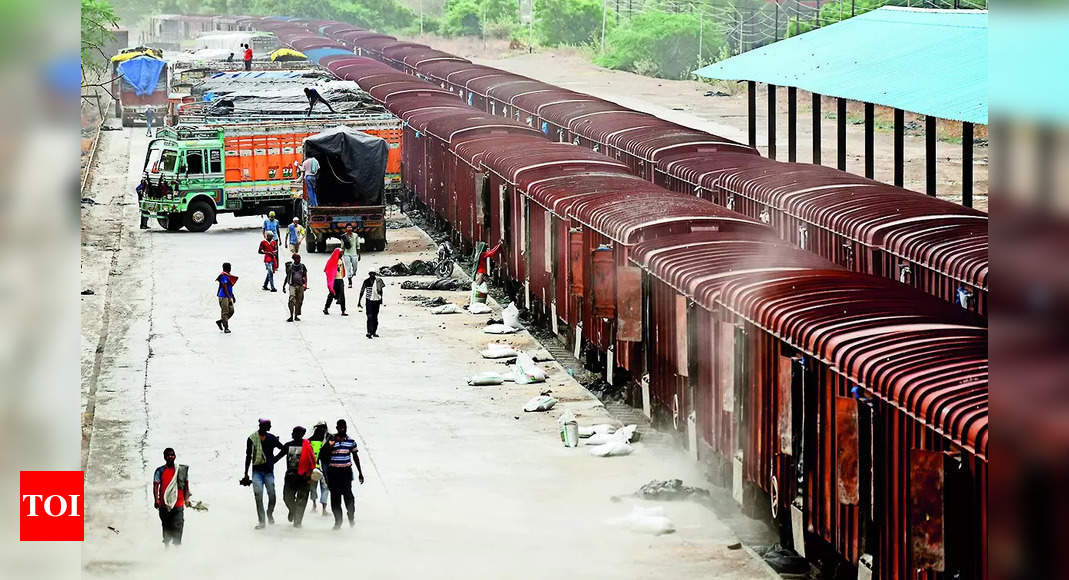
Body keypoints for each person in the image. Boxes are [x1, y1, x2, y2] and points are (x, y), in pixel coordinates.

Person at [320, 419, 364, 530]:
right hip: (333, 473)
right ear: (337, 428)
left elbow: (355, 457)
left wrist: (360, 473)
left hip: (346, 473)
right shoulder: (331, 439)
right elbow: (322, 454)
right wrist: (332, 443)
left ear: (346, 427)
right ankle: (338, 522)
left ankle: (351, 516)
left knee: (349, 497)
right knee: (335, 499)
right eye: (340, 427)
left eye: (344, 427)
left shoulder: (351, 441)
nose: (342, 429)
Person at [243, 418, 283, 529]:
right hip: (257, 472)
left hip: (269, 471)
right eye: (268, 426)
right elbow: (248, 456)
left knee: (272, 495)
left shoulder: (272, 438)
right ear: (262, 426)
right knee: (258, 495)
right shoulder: (252, 439)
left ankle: (269, 513)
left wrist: (275, 459)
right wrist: (246, 473)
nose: (269, 428)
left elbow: (283, 448)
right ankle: (261, 521)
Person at [152, 448, 190, 547]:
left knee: (178, 526)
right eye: (168, 455)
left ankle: (177, 552)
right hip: (164, 505)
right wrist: (156, 500)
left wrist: (187, 499)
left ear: (175, 456)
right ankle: (167, 549)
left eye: (172, 455)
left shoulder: (181, 470)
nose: (170, 457)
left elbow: (186, 485)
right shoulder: (160, 471)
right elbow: (156, 486)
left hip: (178, 504)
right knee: (166, 527)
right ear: (164, 457)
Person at [280, 426, 317, 528]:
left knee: (302, 500)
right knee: (287, 498)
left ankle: (298, 523)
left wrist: (311, 474)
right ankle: (292, 510)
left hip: (304, 478)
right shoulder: (288, 445)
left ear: (300, 434)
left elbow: (312, 461)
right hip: (290, 477)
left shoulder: (308, 446)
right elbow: (278, 457)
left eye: (294, 432)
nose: (292, 434)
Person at [307, 421, 330, 516]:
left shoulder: (309, 441)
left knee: (313, 488)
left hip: (312, 469)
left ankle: (314, 505)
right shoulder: (327, 441)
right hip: (324, 469)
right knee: (325, 488)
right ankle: (324, 510)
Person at [357, 271, 386, 339]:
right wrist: (359, 301)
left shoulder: (378, 281)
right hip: (369, 300)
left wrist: (381, 300)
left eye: (373, 273)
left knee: (375, 317)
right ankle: (369, 332)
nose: (372, 275)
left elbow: (381, 291)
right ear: (369, 274)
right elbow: (362, 291)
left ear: (375, 274)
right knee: (369, 316)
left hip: (376, 300)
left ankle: (374, 332)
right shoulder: (366, 281)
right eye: (371, 274)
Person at [283, 253, 308, 322]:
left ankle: (296, 316)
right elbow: (287, 277)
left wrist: (305, 284)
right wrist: (284, 286)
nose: (299, 259)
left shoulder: (302, 266)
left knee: (299, 301)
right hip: (292, 285)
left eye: (299, 258)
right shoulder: (290, 267)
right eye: (297, 258)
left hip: (300, 286)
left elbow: (305, 276)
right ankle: (291, 316)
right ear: (294, 259)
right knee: (291, 299)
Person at [323, 248, 347, 316]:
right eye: (341, 253)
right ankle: (326, 308)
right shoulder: (332, 260)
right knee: (331, 294)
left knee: (342, 295)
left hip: (340, 279)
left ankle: (343, 310)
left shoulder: (340, 260)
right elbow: (327, 269)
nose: (342, 254)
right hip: (334, 280)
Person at [216, 262, 238, 333]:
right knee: (225, 312)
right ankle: (226, 328)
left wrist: (233, 296)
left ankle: (221, 321)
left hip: (229, 296)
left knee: (231, 311)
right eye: (229, 267)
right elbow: (225, 288)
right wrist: (229, 298)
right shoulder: (223, 276)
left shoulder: (228, 275)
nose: (230, 268)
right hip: (223, 296)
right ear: (227, 268)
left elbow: (229, 287)